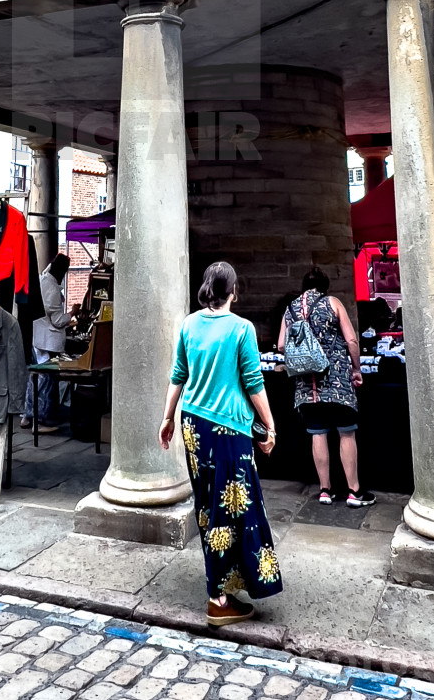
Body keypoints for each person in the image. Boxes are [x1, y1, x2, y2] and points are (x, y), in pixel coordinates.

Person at [160, 261, 282, 627]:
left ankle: (225, 586)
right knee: (233, 510)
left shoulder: (189, 324)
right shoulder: (241, 329)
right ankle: (218, 597)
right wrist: (271, 425)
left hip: (194, 425)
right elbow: (253, 382)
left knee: (209, 507)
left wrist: (167, 418)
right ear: (234, 291)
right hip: (228, 428)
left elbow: (177, 375)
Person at [279, 266, 374, 508]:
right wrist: (356, 369)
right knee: (346, 432)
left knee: (317, 433)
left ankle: (324, 490)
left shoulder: (290, 309)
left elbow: (281, 345)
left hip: (306, 385)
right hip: (337, 381)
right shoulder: (332, 303)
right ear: (325, 285)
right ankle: (354, 491)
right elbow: (352, 339)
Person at [21, 253, 73, 433]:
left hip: (37, 336)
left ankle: (27, 416)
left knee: (34, 377)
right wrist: (72, 314)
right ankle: (39, 421)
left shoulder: (43, 280)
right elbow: (58, 320)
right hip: (46, 340)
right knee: (45, 380)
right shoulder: (51, 288)